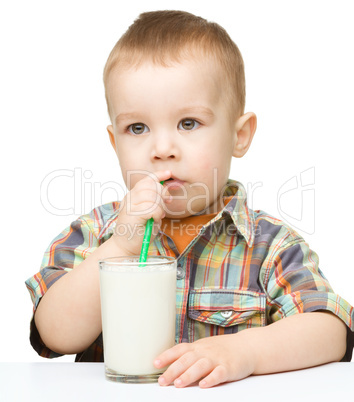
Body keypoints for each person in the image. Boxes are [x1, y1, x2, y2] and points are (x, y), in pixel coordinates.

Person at [26, 10, 354, 388]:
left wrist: (244, 352)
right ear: (115, 143)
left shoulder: (269, 246)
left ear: (240, 135)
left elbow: (331, 329)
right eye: (137, 128)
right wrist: (120, 246)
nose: (162, 148)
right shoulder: (96, 232)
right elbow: (54, 334)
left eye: (188, 123)